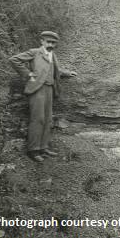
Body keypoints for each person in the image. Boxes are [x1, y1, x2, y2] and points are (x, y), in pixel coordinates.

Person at [9, 31, 77, 162]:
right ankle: (33, 150)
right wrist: (28, 74)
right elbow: (14, 60)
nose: (51, 44)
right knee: (37, 119)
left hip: (49, 89)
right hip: (37, 89)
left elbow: (55, 70)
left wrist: (68, 73)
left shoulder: (53, 55)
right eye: (48, 42)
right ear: (42, 41)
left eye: (53, 42)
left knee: (47, 119)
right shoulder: (34, 52)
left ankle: (43, 147)